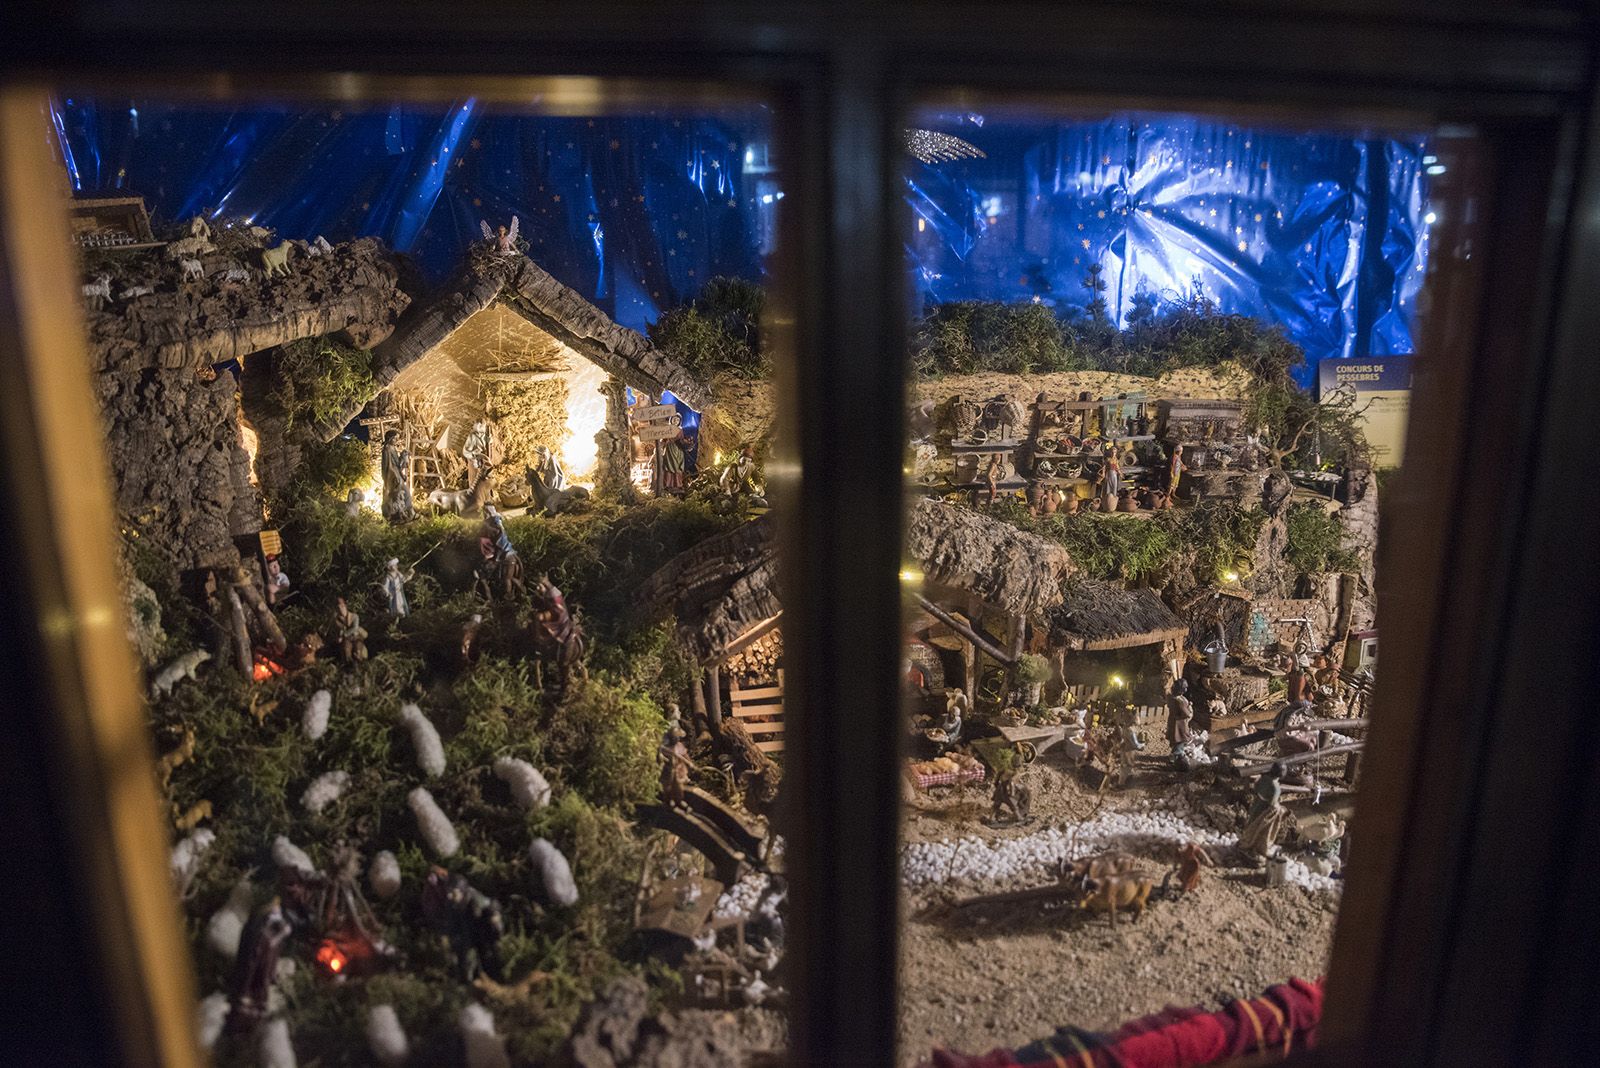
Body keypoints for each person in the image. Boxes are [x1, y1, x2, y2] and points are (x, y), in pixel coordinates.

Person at [1238, 762, 1290, 859]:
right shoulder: (1275, 787)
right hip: (1264, 809)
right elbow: (1273, 803)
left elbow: (1256, 788)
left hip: (1257, 803)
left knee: (1252, 822)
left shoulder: (1263, 779)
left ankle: (1245, 840)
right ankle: (1255, 847)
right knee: (1260, 828)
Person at [380, 429, 414, 523]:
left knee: (405, 493)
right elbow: (385, 466)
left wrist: (403, 456)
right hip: (392, 477)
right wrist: (386, 479)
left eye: (397, 438)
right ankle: (396, 515)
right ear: (390, 438)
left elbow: (398, 463)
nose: (396, 440)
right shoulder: (386, 450)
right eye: (395, 438)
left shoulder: (393, 448)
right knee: (397, 495)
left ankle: (408, 512)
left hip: (397, 474)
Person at [333, 597, 368, 662]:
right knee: (346, 650)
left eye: (342, 606)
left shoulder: (354, 616)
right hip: (346, 640)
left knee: (358, 650)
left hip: (356, 637)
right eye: (339, 607)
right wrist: (339, 637)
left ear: (345, 606)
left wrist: (344, 634)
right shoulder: (337, 620)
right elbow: (339, 630)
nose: (341, 609)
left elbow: (355, 628)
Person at [1166, 678, 1194, 748]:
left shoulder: (1173, 697)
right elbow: (1186, 713)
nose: (1186, 690)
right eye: (1184, 688)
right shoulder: (1179, 701)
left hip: (1173, 721)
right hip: (1179, 723)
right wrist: (1190, 708)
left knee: (1176, 739)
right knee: (1179, 738)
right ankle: (1175, 755)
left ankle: (1177, 754)